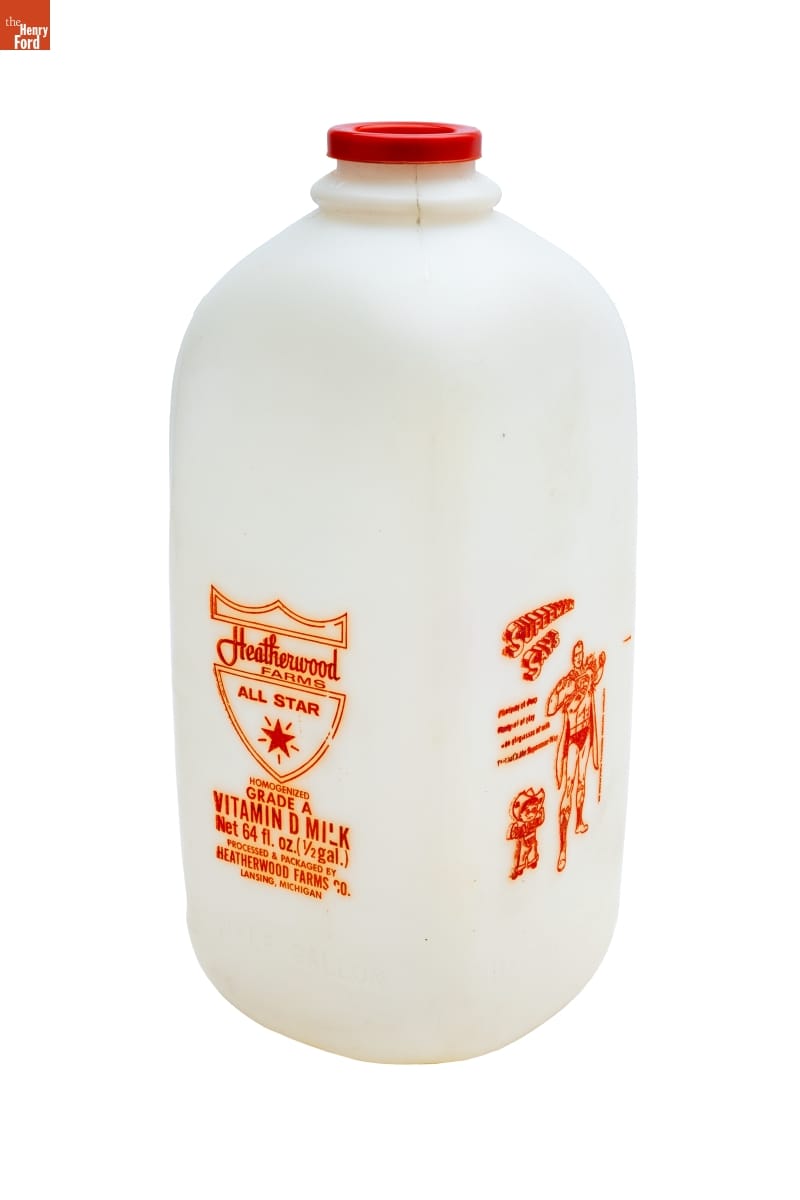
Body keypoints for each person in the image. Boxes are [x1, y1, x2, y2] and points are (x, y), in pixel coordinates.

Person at [546, 640, 605, 872]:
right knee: (569, 787)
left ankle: (579, 821)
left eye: (581, 653)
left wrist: (601, 664)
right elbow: (550, 707)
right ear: (572, 658)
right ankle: (562, 849)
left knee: (581, 781)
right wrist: (567, 692)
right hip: (572, 738)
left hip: (586, 734)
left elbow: (597, 676)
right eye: (576, 654)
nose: (579, 657)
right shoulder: (568, 683)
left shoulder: (588, 676)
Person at [507, 787, 546, 879]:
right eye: (527, 811)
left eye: (534, 810)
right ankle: (519, 868)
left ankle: (532, 861)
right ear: (520, 814)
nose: (531, 814)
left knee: (533, 850)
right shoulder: (520, 825)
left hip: (532, 840)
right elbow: (513, 833)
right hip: (523, 842)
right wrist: (516, 830)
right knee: (522, 854)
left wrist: (541, 813)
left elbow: (540, 821)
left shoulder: (534, 821)